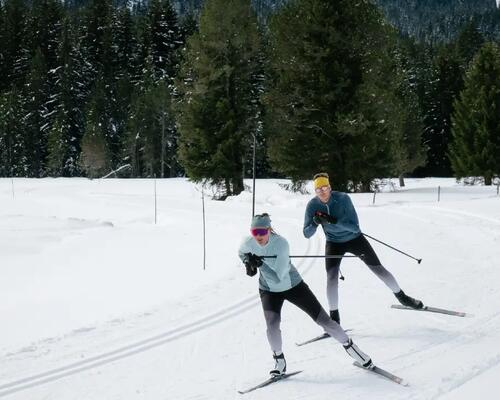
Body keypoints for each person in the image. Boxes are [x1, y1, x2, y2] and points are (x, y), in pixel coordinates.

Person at [239, 213, 373, 377]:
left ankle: (355, 351)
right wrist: (248, 262)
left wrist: (260, 264)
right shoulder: (248, 242)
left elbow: (278, 278)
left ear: (269, 230)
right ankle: (279, 361)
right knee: (272, 325)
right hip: (268, 290)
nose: (258, 236)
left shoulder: (281, 244)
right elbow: (242, 252)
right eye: (255, 232)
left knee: (324, 321)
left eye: (262, 232)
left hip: (292, 285)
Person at [303, 172, 423, 327]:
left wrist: (334, 221)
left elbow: (354, 227)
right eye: (318, 189)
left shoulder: (343, 199)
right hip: (333, 243)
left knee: (379, 270)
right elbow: (307, 234)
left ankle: (403, 298)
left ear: (330, 187)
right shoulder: (312, 205)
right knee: (331, 279)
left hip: (355, 239)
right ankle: (335, 319)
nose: (322, 192)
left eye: (324, 187)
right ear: (315, 191)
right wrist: (314, 222)